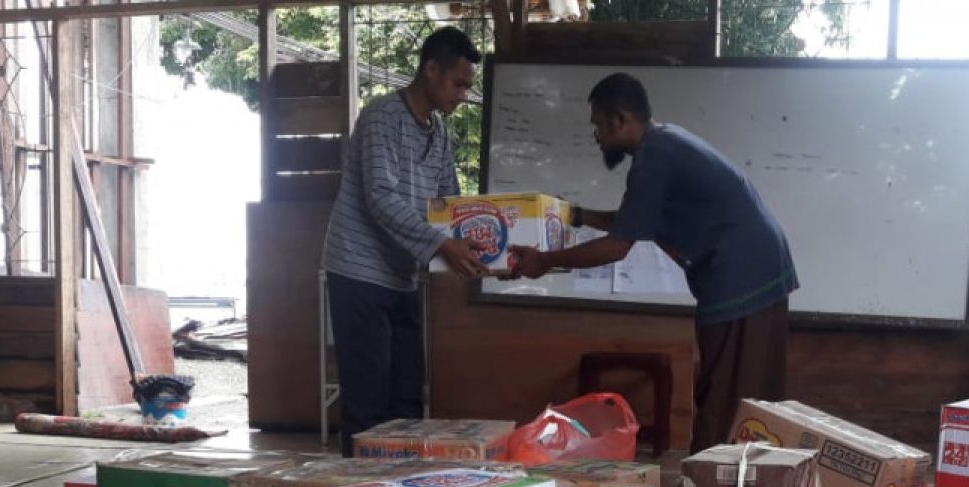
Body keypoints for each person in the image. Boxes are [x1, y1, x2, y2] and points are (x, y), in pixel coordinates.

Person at [509, 72, 798, 453]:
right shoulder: (665, 143)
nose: (597, 135)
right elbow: (633, 220)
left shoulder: (654, 157)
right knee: (746, 395)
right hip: (757, 268)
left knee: (726, 398)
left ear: (619, 119)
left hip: (741, 275)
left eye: (598, 124)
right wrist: (577, 215)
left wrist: (545, 261)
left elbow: (617, 247)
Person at [321, 27, 488, 457]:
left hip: (402, 277)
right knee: (367, 400)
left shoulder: (440, 132)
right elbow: (381, 197)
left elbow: (450, 203)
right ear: (430, 70)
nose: (463, 95)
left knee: (408, 398)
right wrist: (442, 246)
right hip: (358, 272)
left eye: (468, 86)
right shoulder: (382, 116)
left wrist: (479, 244)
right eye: (459, 83)